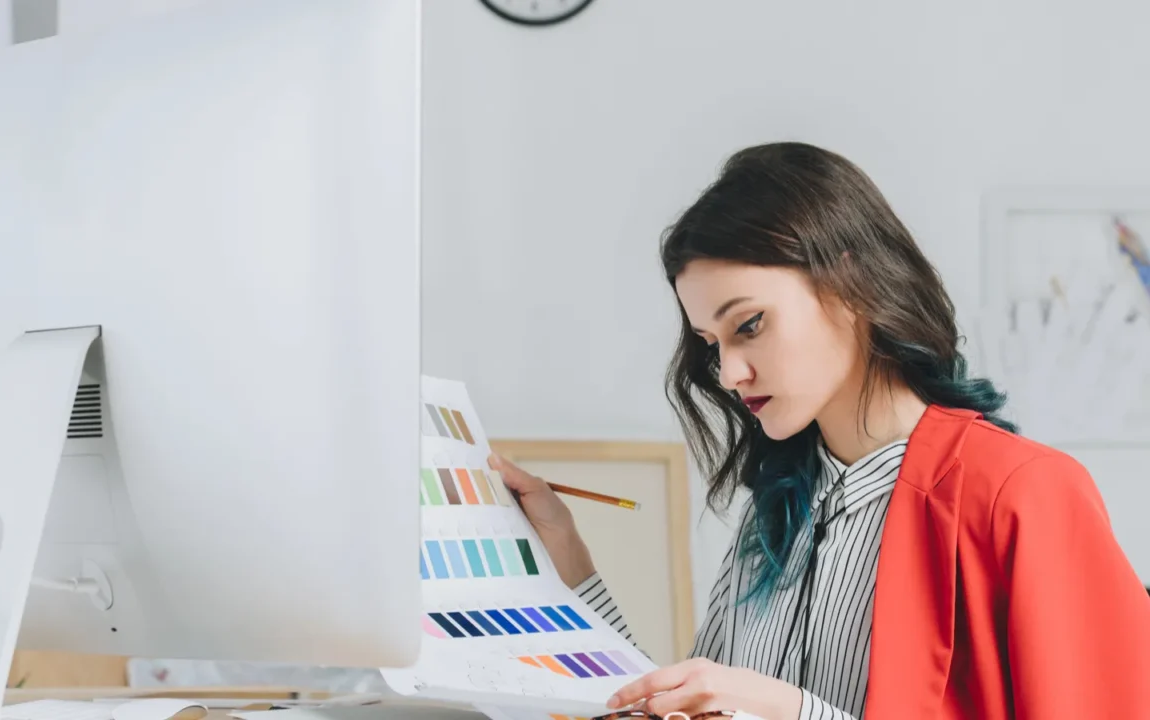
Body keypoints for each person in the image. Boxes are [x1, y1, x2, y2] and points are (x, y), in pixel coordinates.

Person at [489, 142, 1150, 720]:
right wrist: (565, 562)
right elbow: (688, 706)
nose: (728, 372)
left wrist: (789, 710)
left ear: (850, 283)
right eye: (710, 343)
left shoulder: (1020, 493)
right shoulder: (774, 514)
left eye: (748, 324)